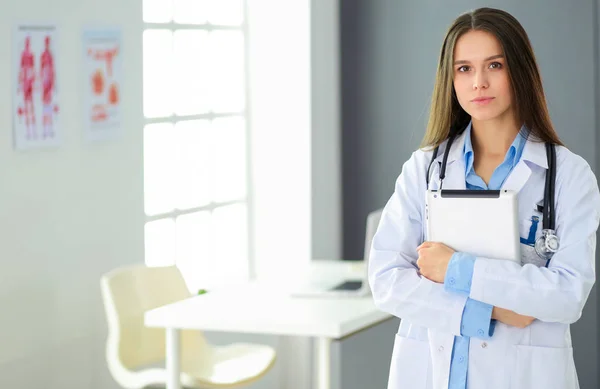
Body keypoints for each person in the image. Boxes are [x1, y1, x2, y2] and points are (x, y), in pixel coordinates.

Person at [368, 7, 600, 389]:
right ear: (451, 79)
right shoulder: (424, 168)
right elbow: (387, 279)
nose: (478, 82)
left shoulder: (569, 177)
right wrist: (494, 310)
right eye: (464, 69)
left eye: (494, 65)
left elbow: (566, 296)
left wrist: (455, 268)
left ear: (519, 71)